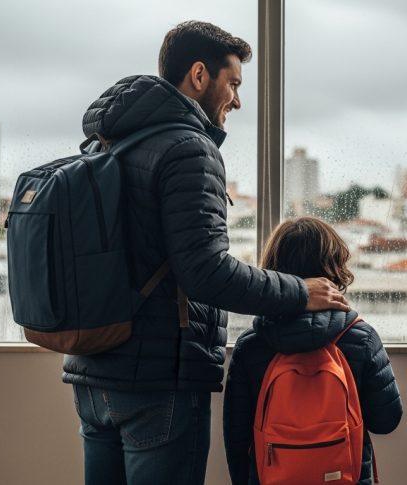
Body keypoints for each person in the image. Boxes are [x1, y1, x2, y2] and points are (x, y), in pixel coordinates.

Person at [63, 21, 349, 485]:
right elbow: (207, 272)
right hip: (158, 381)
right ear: (199, 75)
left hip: (93, 374)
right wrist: (300, 292)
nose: (237, 100)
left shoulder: (107, 142)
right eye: (233, 83)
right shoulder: (189, 148)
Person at [223, 217, 403, 485]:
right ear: (334, 268)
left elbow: (236, 437)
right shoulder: (360, 337)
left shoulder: (251, 345)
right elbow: (386, 420)